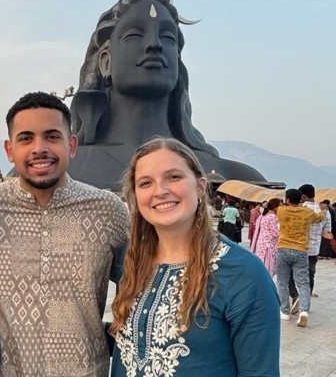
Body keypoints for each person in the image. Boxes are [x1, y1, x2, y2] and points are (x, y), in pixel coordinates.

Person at [0, 92, 130, 376]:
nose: (39, 148)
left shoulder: (108, 210)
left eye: (52, 136)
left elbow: (141, 282)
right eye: (26, 138)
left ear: (72, 145)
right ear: (9, 149)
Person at [109, 137, 279, 376]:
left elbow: (260, 371)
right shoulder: (130, 260)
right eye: (146, 183)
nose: (160, 191)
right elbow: (137, 340)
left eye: (173, 177)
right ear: (135, 196)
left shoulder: (244, 274)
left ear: (200, 187)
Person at [67, 0, 265, 190]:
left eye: (168, 37)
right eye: (134, 34)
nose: (155, 44)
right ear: (106, 61)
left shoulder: (236, 179)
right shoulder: (66, 171)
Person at [276, 188, 326, 327]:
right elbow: (319, 218)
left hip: (283, 248)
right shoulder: (307, 212)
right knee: (303, 283)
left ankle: (285, 311)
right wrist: (323, 210)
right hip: (301, 250)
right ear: (301, 199)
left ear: (287, 199)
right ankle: (304, 311)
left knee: (282, 282)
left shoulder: (281, 210)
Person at [250, 198, 281, 276]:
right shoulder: (273, 217)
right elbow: (275, 233)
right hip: (269, 246)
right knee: (269, 269)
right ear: (275, 207)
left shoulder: (263, 216)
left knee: (262, 267)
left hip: (261, 244)